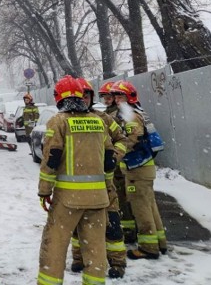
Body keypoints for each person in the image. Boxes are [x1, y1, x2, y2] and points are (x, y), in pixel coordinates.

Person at [36, 75, 113, 285]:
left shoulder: (58, 122)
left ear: (59, 98)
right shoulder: (98, 121)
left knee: (54, 247)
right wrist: (108, 187)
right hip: (98, 199)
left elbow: (51, 161)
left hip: (68, 200)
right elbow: (109, 159)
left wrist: (44, 191)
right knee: (96, 250)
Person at [70, 78, 129, 279]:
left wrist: (114, 157)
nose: (84, 100)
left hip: (105, 183)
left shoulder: (103, 118)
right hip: (77, 185)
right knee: (77, 226)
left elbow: (122, 139)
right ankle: (78, 259)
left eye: (87, 96)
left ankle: (118, 263)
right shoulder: (66, 119)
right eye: (80, 96)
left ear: (91, 98)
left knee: (112, 223)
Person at [110, 80, 168, 259]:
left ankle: (148, 248)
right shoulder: (137, 112)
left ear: (129, 97)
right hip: (144, 167)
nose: (116, 100)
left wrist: (115, 153)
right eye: (115, 96)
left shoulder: (131, 116)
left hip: (137, 169)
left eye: (120, 96)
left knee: (140, 207)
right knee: (150, 205)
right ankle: (159, 241)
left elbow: (131, 140)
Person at [101, 81, 137, 244]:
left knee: (123, 197)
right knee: (118, 197)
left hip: (121, 163)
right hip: (115, 163)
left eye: (110, 97)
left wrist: (115, 157)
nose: (108, 100)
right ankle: (124, 227)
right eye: (105, 97)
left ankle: (129, 230)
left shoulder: (121, 114)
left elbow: (126, 140)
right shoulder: (109, 113)